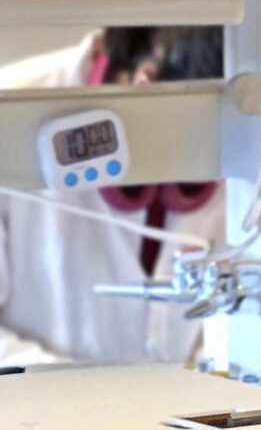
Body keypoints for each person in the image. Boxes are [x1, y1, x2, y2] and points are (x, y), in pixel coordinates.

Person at [0, 26, 227, 365]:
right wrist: (87, 399)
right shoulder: (14, 108)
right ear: (145, 82)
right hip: (43, 409)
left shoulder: (253, 116)